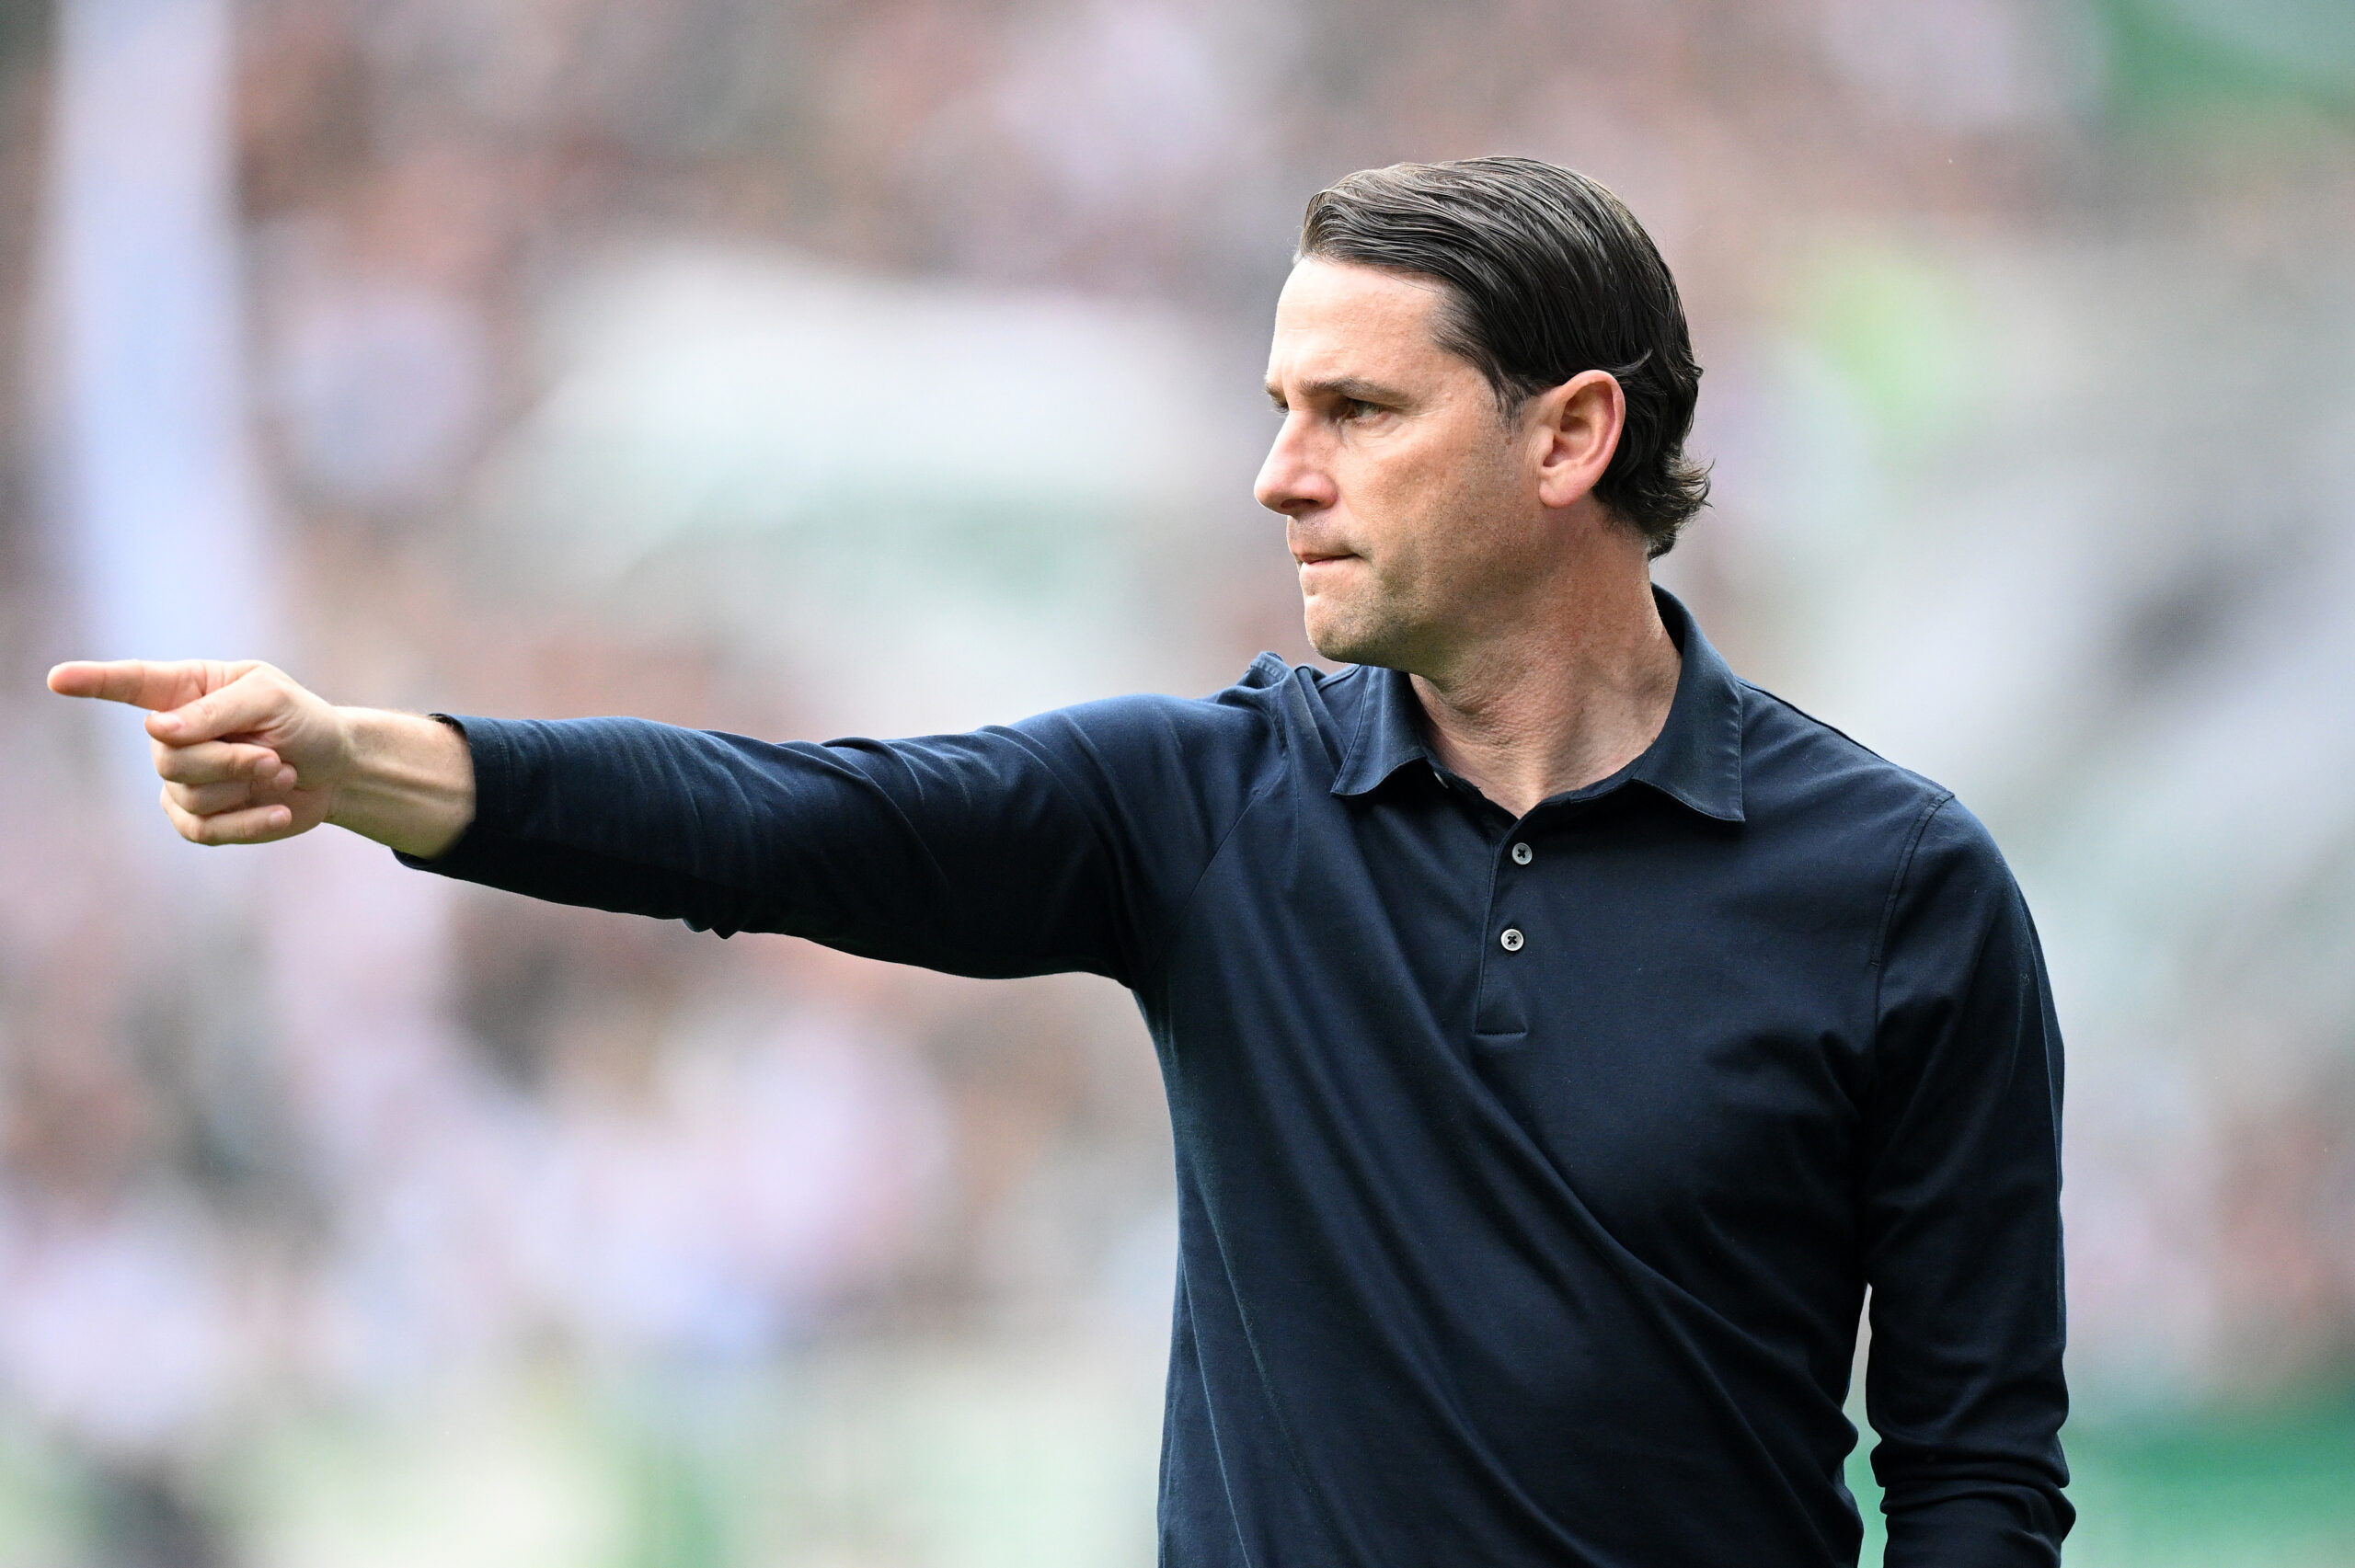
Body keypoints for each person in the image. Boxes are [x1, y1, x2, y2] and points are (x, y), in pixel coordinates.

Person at [50, 157, 2071, 1566]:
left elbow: (1975, 1462)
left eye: (1356, 411)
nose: (1279, 473)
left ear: (1569, 437)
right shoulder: (1210, 807)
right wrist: (369, 763)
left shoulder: (1899, 891)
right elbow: (786, 821)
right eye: (1279, 406)